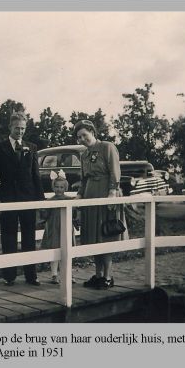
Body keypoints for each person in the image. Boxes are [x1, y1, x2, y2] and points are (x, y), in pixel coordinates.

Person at [0, 111, 45, 286]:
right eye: (17, 128)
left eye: (22, 128)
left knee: (29, 237)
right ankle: (9, 276)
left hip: (28, 198)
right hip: (8, 198)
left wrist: (40, 199)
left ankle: (31, 275)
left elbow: (36, 175)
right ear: (10, 127)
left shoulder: (32, 147)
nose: (20, 132)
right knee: (9, 237)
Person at [75, 119, 122, 290]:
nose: (81, 139)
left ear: (92, 132)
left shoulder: (107, 147)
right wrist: (80, 195)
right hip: (90, 196)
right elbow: (83, 178)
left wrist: (112, 192)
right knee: (94, 237)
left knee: (105, 235)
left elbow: (114, 171)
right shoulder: (84, 155)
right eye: (79, 137)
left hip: (105, 193)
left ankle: (108, 277)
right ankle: (98, 275)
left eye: (84, 135)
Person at [39, 171, 78, 284]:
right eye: (56, 187)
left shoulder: (69, 200)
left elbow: (74, 214)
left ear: (65, 187)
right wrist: (43, 209)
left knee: (67, 252)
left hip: (66, 227)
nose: (59, 189)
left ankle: (68, 274)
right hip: (53, 228)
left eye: (61, 187)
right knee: (54, 250)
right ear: (53, 187)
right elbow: (45, 215)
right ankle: (54, 274)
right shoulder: (50, 201)